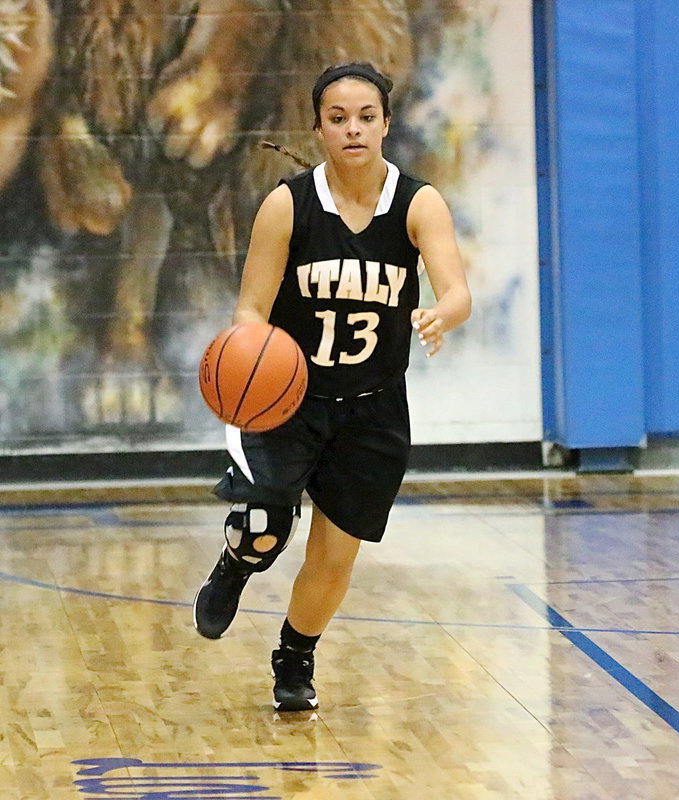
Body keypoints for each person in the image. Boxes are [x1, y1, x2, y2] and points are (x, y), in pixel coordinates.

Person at [193, 62, 471, 712]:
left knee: (333, 557)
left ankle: (295, 656)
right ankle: (236, 564)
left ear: (386, 124)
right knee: (263, 524)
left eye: (366, 117)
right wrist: (248, 356)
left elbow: (456, 290)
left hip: (373, 411)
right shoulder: (288, 204)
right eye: (338, 118)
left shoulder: (417, 202)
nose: (353, 129)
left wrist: (442, 314)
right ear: (318, 127)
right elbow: (249, 310)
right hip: (287, 400)